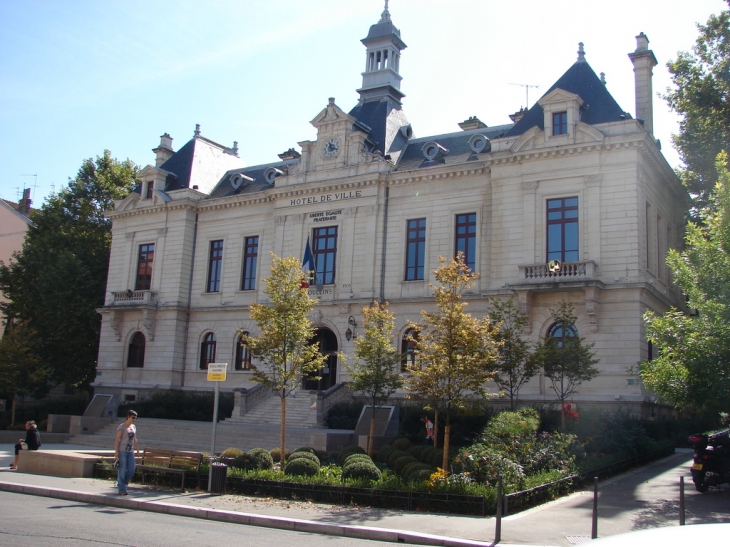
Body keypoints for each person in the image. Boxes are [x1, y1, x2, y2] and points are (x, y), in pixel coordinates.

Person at [114, 410, 140, 495]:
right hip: (122, 450)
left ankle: (121, 483)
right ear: (128, 416)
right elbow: (117, 439)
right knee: (122, 470)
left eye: (135, 418)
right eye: (133, 417)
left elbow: (134, 439)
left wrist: (137, 449)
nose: (134, 419)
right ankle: (122, 489)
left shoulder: (133, 427)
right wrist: (116, 451)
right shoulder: (122, 427)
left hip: (130, 451)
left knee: (132, 469)